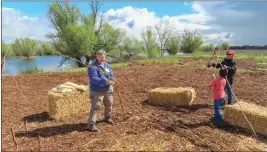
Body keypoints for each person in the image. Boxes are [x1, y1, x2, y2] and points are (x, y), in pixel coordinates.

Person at [87, 49, 115, 133]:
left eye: (104, 57)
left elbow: (111, 75)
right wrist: (105, 81)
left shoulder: (107, 65)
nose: (103, 58)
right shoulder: (92, 66)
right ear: (97, 57)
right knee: (96, 106)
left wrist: (112, 80)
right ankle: (91, 125)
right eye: (101, 57)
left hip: (108, 89)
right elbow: (93, 78)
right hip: (97, 90)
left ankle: (107, 117)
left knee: (109, 103)